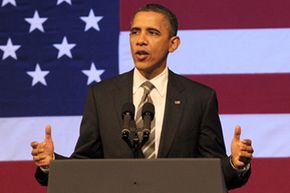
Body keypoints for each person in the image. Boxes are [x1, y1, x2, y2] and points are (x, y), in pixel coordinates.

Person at [31, 3, 254, 190]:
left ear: (173, 44)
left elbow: (212, 171)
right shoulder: (102, 95)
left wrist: (235, 163)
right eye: (135, 32)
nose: (141, 40)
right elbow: (86, 163)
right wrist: (52, 164)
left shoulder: (199, 98)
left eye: (152, 33)